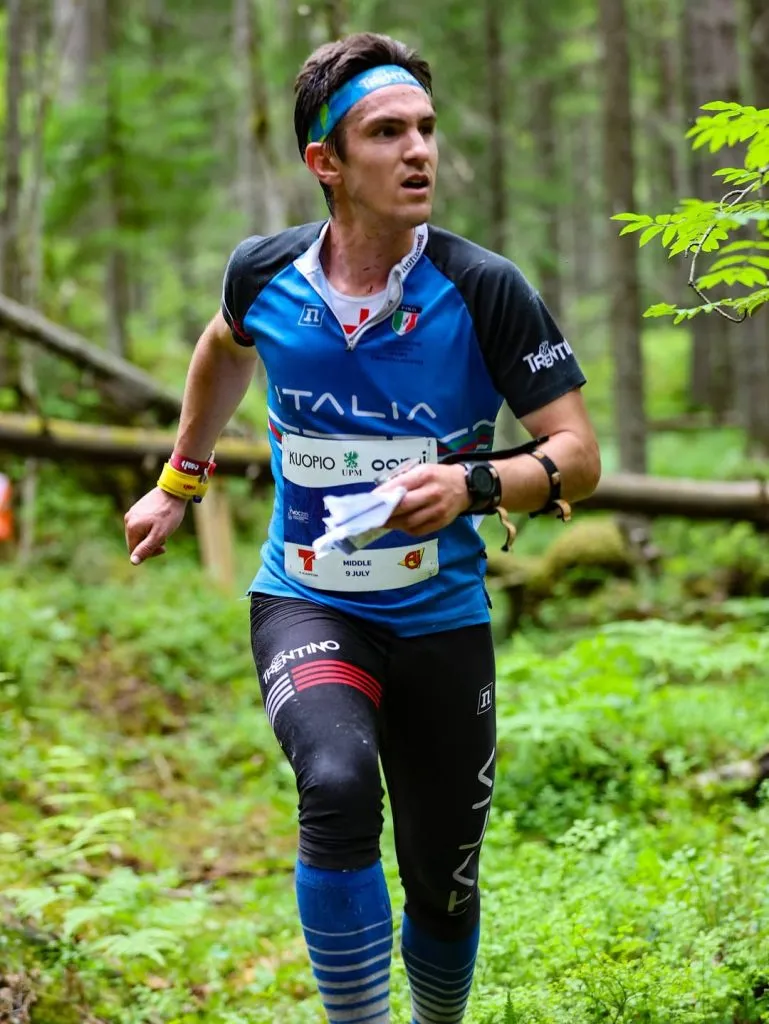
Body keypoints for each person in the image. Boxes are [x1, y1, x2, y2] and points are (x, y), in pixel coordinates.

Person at [124, 31, 600, 1024]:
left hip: (440, 618)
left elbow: (577, 456)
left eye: (425, 128)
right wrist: (179, 478)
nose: (418, 150)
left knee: (442, 881)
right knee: (336, 784)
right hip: (306, 599)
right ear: (326, 161)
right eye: (387, 133)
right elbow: (222, 349)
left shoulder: (483, 288)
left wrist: (473, 485)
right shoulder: (265, 275)